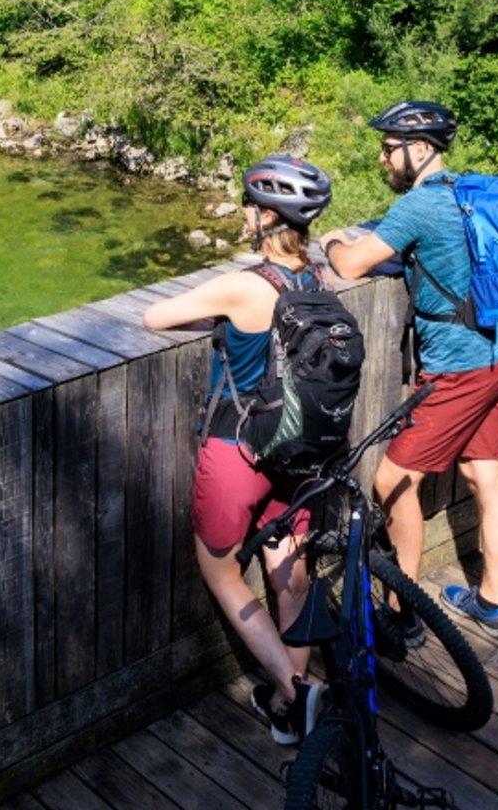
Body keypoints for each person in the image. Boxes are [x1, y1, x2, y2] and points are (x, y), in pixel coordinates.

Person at [142, 154, 334, 744]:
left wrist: (223, 318)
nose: (244, 214)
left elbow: (155, 317)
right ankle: (287, 701)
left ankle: (297, 691)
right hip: (302, 448)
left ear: (267, 218)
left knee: (221, 569)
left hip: (240, 448)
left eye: (251, 206)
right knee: (289, 571)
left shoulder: (241, 286)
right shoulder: (316, 277)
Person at [317, 101, 498, 642]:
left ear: (421, 149)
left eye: (389, 149)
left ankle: (403, 612)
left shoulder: (419, 206)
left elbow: (349, 264)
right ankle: (492, 605)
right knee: (486, 479)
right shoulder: (464, 192)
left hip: (458, 370)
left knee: (392, 480)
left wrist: (333, 239)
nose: (382, 159)